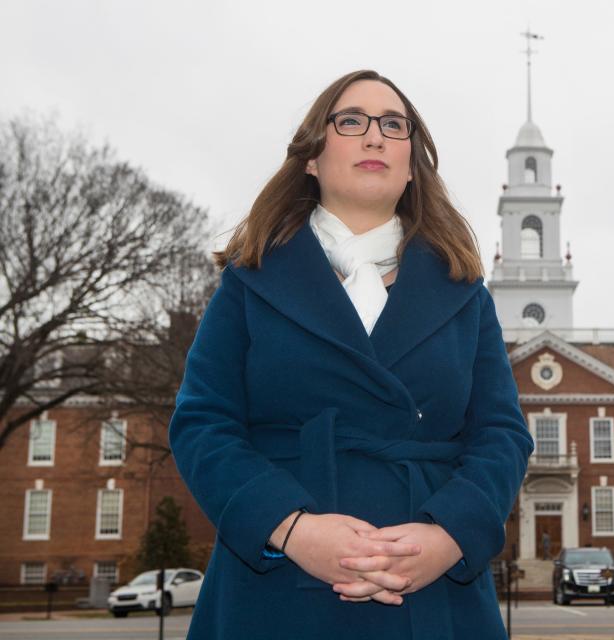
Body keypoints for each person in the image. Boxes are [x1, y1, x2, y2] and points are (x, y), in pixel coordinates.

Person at [168, 69, 534, 639]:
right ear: (311, 158)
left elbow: (501, 435)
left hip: (433, 591)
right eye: (351, 121)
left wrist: (448, 537)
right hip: (275, 590)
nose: (375, 136)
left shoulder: (465, 293)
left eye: (394, 124)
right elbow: (202, 425)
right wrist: (290, 529)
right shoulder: (250, 281)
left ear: (411, 163)